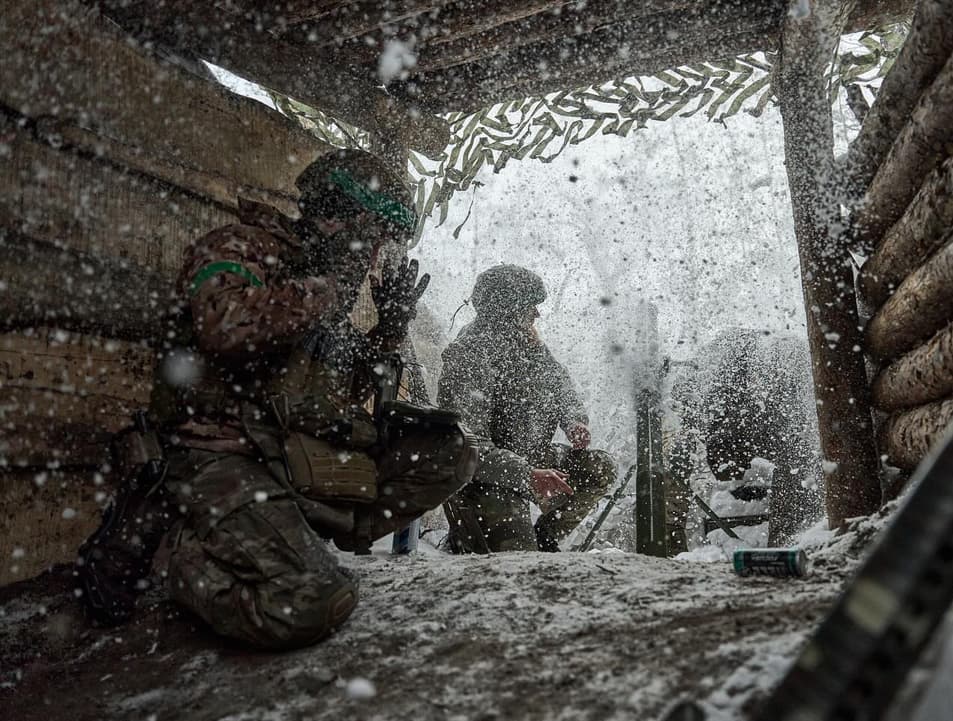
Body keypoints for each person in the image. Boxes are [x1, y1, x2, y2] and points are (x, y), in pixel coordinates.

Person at [76, 149, 478, 649]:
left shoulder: (323, 278)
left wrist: (388, 332)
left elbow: (330, 393)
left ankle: (306, 533)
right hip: (217, 456)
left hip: (289, 454)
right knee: (314, 601)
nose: (374, 255)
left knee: (449, 450)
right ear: (335, 218)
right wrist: (322, 289)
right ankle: (178, 559)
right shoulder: (241, 248)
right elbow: (224, 327)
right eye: (371, 237)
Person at [438, 264, 616, 552]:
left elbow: (560, 384)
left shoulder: (528, 344)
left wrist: (572, 421)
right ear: (507, 310)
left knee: (599, 468)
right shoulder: (469, 356)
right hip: (486, 477)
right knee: (516, 561)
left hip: (529, 457)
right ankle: (469, 537)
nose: (537, 313)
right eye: (530, 306)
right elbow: (469, 448)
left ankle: (545, 539)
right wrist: (526, 474)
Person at [667, 327, 818, 549]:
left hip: (777, 406)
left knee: (796, 455)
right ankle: (787, 539)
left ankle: (789, 540)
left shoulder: (768, 402)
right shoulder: (704, 388)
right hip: (739, 410)